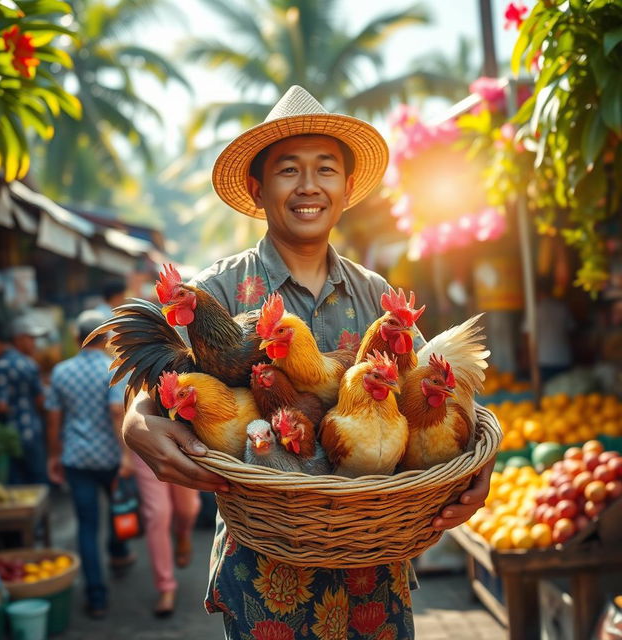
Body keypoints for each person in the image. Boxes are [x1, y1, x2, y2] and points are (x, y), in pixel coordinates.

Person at [122, 86, 494, 639]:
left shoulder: (375, 293)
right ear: (258, 187)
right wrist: (136, 428)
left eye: (325, 168)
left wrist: (478, 463)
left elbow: (440, 391)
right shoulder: (218, 290)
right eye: (288, 169)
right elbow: (151, 397)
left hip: (375, 566)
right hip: (263, 570)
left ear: (345, 189)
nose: (308, 185)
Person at [45, 310, 136, 619]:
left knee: (86, 524)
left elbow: (54, 419)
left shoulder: (60, 372)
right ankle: (118, 552)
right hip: (110, 456)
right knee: (118, 508)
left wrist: (54, 455)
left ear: (77, 339)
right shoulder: (113, 369)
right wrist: (125, 455)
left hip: (76, 458)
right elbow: (116, 414)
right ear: (107, 338)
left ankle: (96, 596)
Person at [132, 452, 201, 617]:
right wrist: (125, 455)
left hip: (183, 445)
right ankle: (166, 587)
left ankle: (182, 533)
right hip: (145, 447)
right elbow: (119, 423)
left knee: (187, 509)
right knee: (157, 514)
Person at [0, 321, 47, 485]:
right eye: (30, 339)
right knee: (38, 483)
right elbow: (41, 401)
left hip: (11, 437)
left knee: (16, 486)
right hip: (33, 433)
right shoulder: (29, 363)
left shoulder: (0, 366)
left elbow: (0, 406)